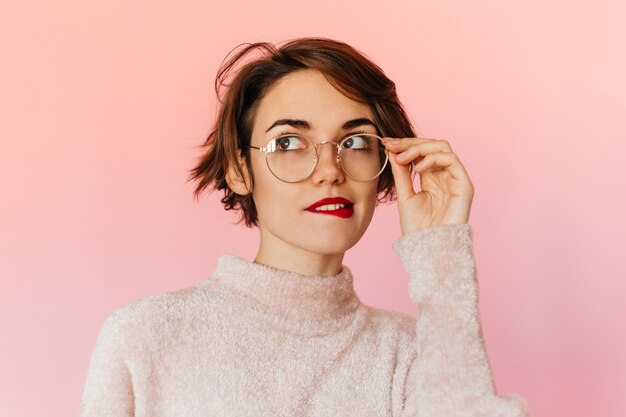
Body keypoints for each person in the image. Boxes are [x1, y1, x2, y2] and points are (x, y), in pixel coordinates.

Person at [79, 37, 530, 416]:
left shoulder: (413, 351)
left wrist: (440, 251)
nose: (330, 169)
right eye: (289, 142)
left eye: (354, 141)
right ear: (240, 170)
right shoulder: (145, 338)